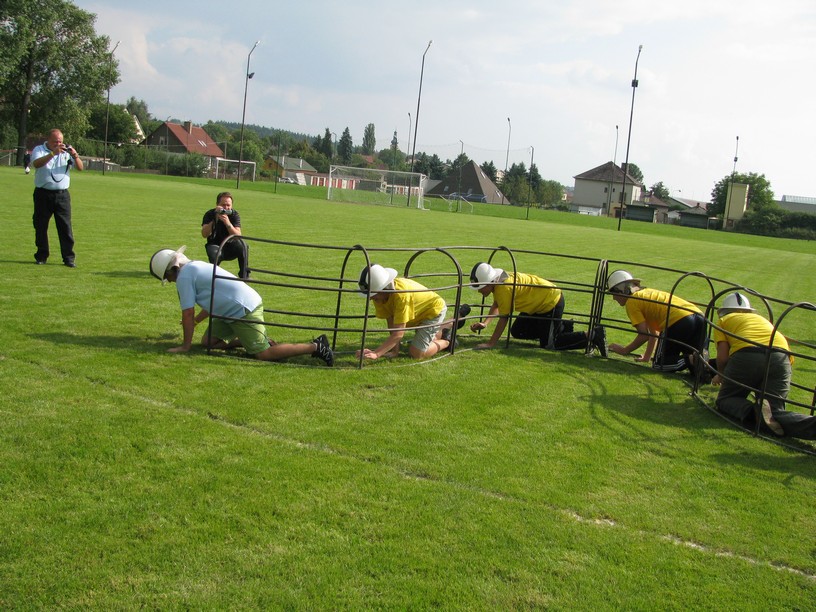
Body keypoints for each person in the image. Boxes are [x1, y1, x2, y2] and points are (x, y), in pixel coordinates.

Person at [149, 246, 333, 366]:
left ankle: (316, 346)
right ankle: (249, 341)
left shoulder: (185, 277)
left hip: (242, 310)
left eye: (168, 278)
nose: (171, 282)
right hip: (230, 310)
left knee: (263, 355)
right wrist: (197, 321)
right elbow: (213, 299)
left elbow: (187, 313)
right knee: (208, 343)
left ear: (171, 271)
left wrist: (185, 346)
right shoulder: (194, 267)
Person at [712, 292, 816, 439]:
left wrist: (720, 374)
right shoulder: (761, 320)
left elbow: (722, 357)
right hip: (781, 357)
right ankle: (812, 425)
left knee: (725, 399)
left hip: (747, 354)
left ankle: (753, 411)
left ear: (724, 310)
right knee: (774, 412)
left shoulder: (724, 320)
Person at [468, 262, 607, 355]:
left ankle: (593, 335)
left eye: (480, 287)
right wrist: (485, 323)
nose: (479, 291)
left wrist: (491, 343)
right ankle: (562, 327)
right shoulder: (498, 282)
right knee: (518, 331)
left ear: (490, 281)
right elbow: (497, 304)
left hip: (550, 302)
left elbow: (504, 317)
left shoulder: (504, 288)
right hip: (537, 305)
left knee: (550, 344)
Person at [356, 264, 469, 360]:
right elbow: (391, 322)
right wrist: (395, 351)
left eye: (372, 295)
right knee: (428, 340)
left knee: (417, 353)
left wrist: (376, 353)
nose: (370, 298)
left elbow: (399, 333)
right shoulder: (379, 296)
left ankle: (447, 341)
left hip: (433, 311)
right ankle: (452, 322)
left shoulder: (401, 295)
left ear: (383, 287)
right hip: (418, 313)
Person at [606, 270, 706, 372]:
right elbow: (653, 334)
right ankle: (704, 365)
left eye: (614, 293)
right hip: (699, 317)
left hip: (678, 320)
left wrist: (624, 350)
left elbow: (644, 335)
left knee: (659, 365)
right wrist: (646, 357)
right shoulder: (645, 295)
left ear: (621, 290)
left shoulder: (632, 302)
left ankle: (692, 359)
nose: (614, 298)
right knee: (697, 371)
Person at [31, 129, 83, 267]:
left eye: (60, 141)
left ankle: (68, 258)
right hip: (43, 194)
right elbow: (36, 164)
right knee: (40, 226)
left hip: (62, 195)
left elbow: (80, 168)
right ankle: (41, 255)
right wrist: (53, 154)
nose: (59, 144)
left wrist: (75, 155)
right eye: (55, 142)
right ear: (48, 140)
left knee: (65, 227)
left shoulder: (66, 152)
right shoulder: (39, 149)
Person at [201, 192, 250, 278]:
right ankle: (213, 277)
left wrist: (227, 223)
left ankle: (244, 276)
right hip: (214, 245)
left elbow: (238, 236)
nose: (226, 208)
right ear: (217, 205)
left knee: (243, 245)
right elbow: (204, 234)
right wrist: (214, 220)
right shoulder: (210, 214)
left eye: (228, 205)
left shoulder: (234, 214)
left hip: (230, 246)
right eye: (223, 205)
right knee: (213, 254)